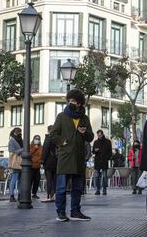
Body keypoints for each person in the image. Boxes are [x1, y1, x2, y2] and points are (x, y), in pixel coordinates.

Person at [50, 89, 94, 222]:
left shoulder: (84, 118)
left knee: (77, 187)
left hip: (79, 158)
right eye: (69, 101)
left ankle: (75, 211)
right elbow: (53, 134)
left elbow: (90, 137)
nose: (70, 103)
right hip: (65, 157)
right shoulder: (62, 116)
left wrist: (84, 132)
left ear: (80, 103)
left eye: (73, 101)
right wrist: (61, 142)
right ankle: (61, 212)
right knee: (62, 187)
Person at [92, 130, 112, 195]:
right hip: (97, 161)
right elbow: (93, 151)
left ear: (102, 134)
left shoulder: (108, 142)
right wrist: (95, 150)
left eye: (100, 135)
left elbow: (110, 152)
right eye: (98, 135)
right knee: (97, 176)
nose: (99, 136)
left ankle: (104, 189)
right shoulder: (96, 142)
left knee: (104, 176)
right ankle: (98, 189)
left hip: (104, 161)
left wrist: (107, 158)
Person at [41, 125, 57, 202]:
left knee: (49, 179)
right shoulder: (56, 137)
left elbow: (45, 150)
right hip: (55, 161)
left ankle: (49, 196)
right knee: (54, 179)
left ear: (48, 130)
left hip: (48, 162)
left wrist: (42, 160)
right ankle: (53, 195)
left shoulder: (48, 138)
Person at [8, 127, 23, 202]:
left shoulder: (21, 140)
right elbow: (12, 152)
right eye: (18, 132)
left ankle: (20, 195)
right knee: (14, 179)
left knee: (20, 179)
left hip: (22, 162)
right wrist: (23, 149)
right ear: (14, 132)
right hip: (15, 162)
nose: (20, 133)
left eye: (20, 132)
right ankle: (11, 195)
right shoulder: (12, 140)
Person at [30, 135, 43, 199]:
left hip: (38, 166)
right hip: (31, 166)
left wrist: (41, 161)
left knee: (37, 180)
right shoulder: (31, 146)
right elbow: (29, 153)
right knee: (30, 180)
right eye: (36, 139)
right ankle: (27, 193)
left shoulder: (41, 147)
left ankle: (34, 193)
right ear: (33, 139)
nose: (37, 140)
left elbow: (42, 155)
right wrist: (35, 148)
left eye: (38, 139)